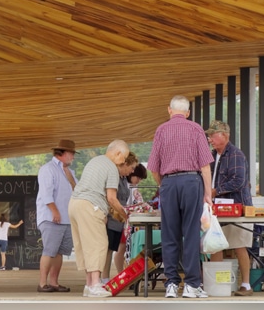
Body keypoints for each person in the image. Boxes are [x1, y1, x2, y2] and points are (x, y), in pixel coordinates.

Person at [148, 95, 213, 299]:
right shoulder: (195, 129)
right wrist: (208, 194)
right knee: (191, 233)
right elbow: (205, 166)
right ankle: (192, 285)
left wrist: (163, 185)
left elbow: (153, 168)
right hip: (192, 182)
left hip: (169, 182)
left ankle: (171, 283)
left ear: (169, 110)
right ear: (187, 113)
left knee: (169, 234)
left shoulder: (161, 130)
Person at [68, 139, 129, 298]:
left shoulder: (95, 161)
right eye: (124, 157)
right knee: (98, 243)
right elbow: (112, 198)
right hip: (90, 205)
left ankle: (89, 284)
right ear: (118, 153)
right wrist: (125, 214)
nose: (123, 162)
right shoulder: (111, 168)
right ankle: (95, 284)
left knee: (86, 245)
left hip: (74, 204)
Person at [205, 120, 254, 296]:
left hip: (237, 208)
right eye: (209, 135)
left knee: (239, 245)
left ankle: (246, 285)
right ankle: (217, 285)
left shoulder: (236, 154)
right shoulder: (212, 156)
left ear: (224, 136)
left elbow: (238, 181)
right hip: (218, 210)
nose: (210, 138)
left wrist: (214, 191)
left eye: (213, 135)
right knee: (215, 244)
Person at [36, 139, 79, 293]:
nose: (73, 157)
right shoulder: (48, 169)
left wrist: (70, 178)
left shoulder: (70, 172)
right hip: (51, 217)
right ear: (63, 153)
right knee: (49, 250)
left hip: (66, 218)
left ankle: (54, 282)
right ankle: (42, 283)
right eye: (72, 153)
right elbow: (46, 193)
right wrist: (55, 211)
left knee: (60, 251)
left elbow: (78, 190)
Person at [101, 152, 138, 283]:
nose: (132, 171)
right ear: (125, 164)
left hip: (118, 220)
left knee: (111, 249)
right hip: (110, 218)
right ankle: (103, 278)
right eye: (131, 168)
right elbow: (110, 198)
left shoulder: (122, 178)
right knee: (106, 250)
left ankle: (104, 277)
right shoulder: (114, 176)